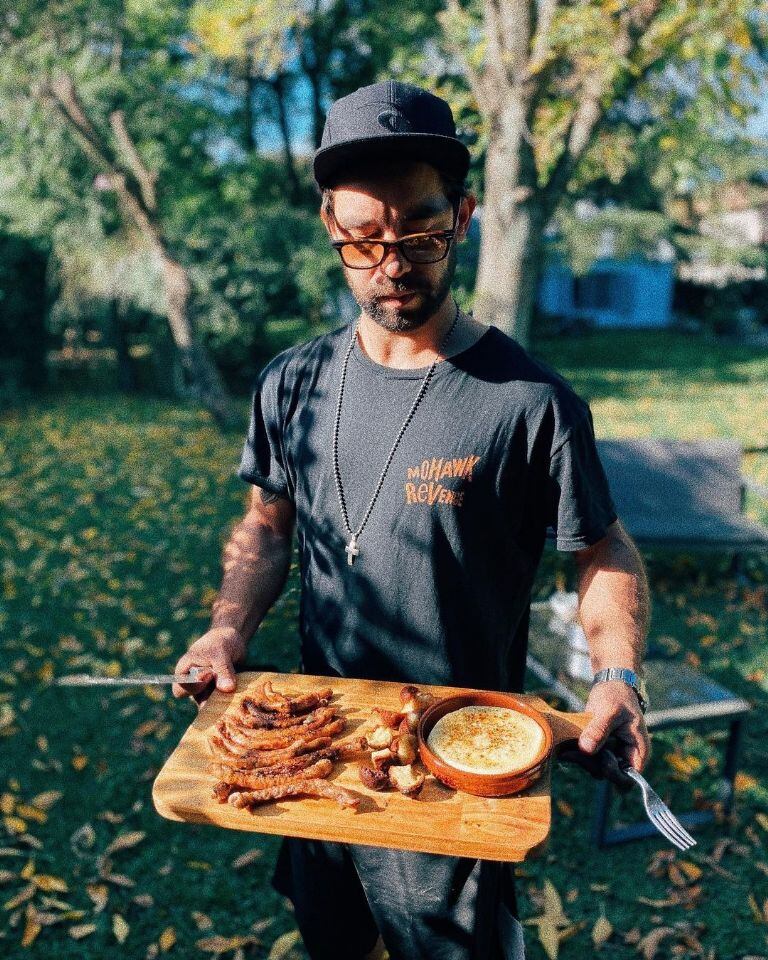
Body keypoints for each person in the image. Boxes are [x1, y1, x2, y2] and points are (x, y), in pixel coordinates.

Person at [173, 80, 651, 960]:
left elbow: (603, 547)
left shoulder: (531, 403)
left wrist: (618, 673)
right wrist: (224, 631)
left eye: (422, 231)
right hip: (320, 758)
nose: (393, 262)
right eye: (362, 239)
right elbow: (267, 528)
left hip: (460, 768)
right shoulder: (292, 384)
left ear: (463, 217)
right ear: (329, 227)